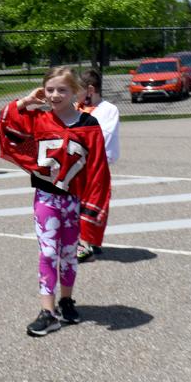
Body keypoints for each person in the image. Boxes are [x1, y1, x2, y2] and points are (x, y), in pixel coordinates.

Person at [0, 67, 110, 337]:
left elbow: (98, 170)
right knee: (47, 252)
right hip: (46, 197)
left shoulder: (88, 125)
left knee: (69, 254)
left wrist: (91, 211)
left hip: (74, 200)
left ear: (76, 92)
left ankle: (66, 300)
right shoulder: (38, 119)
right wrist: (24, 102)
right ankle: (48, 311)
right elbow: (2, 122)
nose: (55, 95)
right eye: (50, 89)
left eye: (62, 90)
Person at [76, 69, 121, 261]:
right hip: (78, 164)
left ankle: (88, 242)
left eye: (76, 89)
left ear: (90, 90)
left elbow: (104, 135)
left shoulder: (108, 110)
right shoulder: (77, 107)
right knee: (78, 202)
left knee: (94, 202)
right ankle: (84, 241)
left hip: (97, 164)